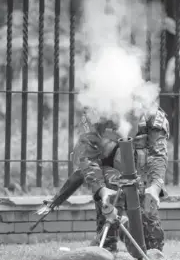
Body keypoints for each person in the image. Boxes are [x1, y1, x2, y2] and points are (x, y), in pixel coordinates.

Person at [40, 105, 169, 256]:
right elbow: (86, 157)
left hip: (141, 176)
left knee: (153, 244)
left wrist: (155, 187)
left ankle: (126, 229)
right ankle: (107, 242)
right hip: (108, 173)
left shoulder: (151, 113)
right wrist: (101, 189)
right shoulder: (97, 110)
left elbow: (158, 155)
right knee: (108, 241)